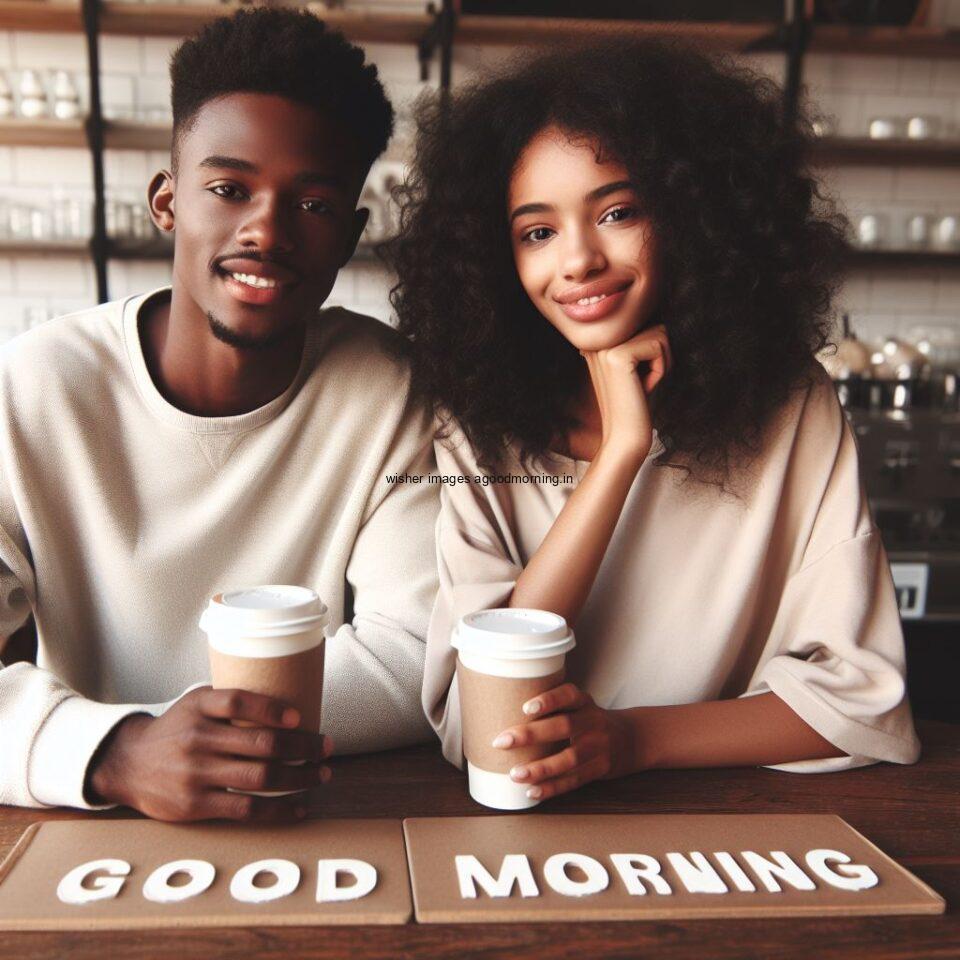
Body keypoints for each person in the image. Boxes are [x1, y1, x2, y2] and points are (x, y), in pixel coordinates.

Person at [387, 38, 920, 803]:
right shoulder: (474, 428)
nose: (577, 261)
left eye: (618, 212)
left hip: (736, 828)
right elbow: (482, 723)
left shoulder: (791, 406)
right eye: (538, 232)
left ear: (693, 217)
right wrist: (620, 455)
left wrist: (634, 740)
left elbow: (865, 706)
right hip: (525, 844)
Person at [0, 8, 439, 818]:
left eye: (311, 204)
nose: (265, 231)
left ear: (349, 234)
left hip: (305, 812)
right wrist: (117, 749)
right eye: (228, 189)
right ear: (167, 202)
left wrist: (198, 738)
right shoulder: (35, 387)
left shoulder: (391, 390)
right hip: (92, 823)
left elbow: (417, 656)